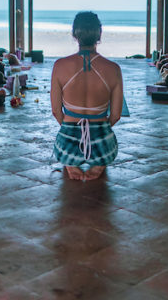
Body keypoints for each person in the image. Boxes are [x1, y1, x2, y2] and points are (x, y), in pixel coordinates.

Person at [50, 12, 123, 181]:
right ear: (99, 34)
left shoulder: (60, 66)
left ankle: (71, 163)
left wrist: (70, 129)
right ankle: (99, 163)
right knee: (104, 142)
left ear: (74, 35)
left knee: (66, 144)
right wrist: (97, 129)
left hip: (68, 144)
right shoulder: (113, 69)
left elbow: (56, 111)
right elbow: (116, 116)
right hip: (103, 146)